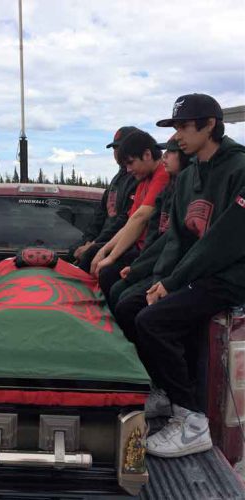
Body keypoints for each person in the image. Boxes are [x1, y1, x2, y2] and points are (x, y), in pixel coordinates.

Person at [114, 93, 245, 458]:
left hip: (230, 274)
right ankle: (163, 391)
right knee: (129, 306)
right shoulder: (188, 179)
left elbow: (224, 242)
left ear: (210, 126)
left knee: (155, 321)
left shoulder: (239, 169)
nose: (178, 136)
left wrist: (172, 284)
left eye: (185, 127)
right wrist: (157, 280)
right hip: (197, 272)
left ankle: (192, 421)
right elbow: (177, 239)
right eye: (175, 128)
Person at [109, 137, 192, 312]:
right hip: (155, 261)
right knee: (119, 291)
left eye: (170, 152)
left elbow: (172, 240)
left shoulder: (188, 190)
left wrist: (138, 268)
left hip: (173, 268)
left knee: (127, 302)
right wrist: (137, 266)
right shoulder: (167, 188)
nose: (164, 158)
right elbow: (153, 233)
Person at [90, 130, 169, 301]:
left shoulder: (162, 174)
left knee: (115, 283)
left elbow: (141, 218)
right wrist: (103, 251)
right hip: (140, 249)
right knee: (100, 264)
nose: (128, 169)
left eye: (131, 163)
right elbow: (130, 223)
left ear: (147, 154)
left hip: (151, 253)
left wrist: (110, 257)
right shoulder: (144, 180)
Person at [71, 126, 138, 272]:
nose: (117, 152)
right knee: (74, 251)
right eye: (114, 148)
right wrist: (88, 240)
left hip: (119, 245)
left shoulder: (137, 178)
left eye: (120, 148)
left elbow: (125, 220)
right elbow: (100, 215)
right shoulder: (117, 178)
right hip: (101, 241)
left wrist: (94, 244)